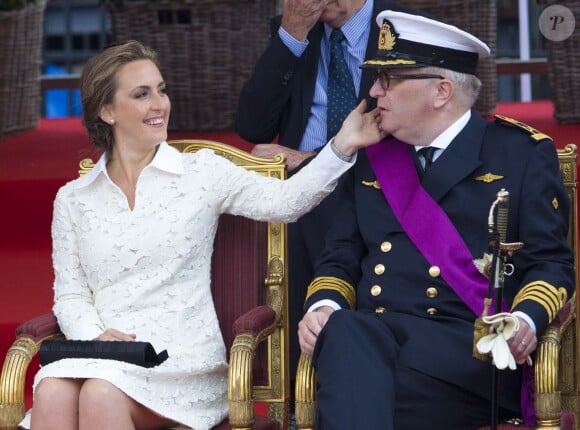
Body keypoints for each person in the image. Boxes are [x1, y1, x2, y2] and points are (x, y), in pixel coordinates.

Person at [21, 40, 384, 430]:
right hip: (101, 351)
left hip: (181, 357)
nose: (159, 104)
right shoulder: (73, 198)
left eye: (161, 90)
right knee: (53, 390)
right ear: (107, 111)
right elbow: (71, 293)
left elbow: (288, 201)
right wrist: (94, 336)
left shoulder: (201, 173)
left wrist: (342, 144)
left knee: (99, 391)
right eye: (141, 94)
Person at [297, 10, 575, 430]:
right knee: (349, 340)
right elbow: (340, 256)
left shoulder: (519, 154)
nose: (374, 91)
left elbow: (551, 264)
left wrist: (525, 319)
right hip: (373, 347)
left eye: (388, 80)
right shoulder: (373, 158)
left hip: (468, 354)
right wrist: (324, 306)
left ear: (441, 91)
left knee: (348, 378)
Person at [235, 0, 427, 382]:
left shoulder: (402, 26)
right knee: (280, 210)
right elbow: (252, 126)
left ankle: (339, 380)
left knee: (315, 211)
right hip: (300, 194)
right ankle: (292, 388)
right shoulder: (295, 30)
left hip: (379, 183)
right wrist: (291, 36)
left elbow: (412, 131)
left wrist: (312, 160)